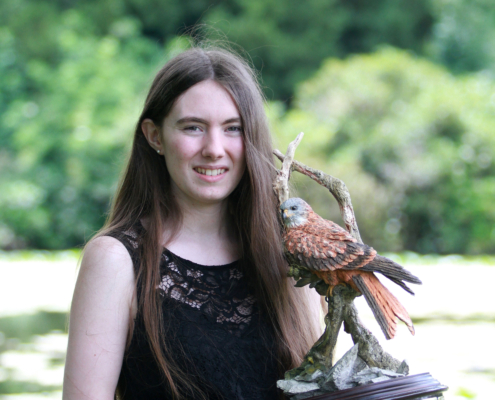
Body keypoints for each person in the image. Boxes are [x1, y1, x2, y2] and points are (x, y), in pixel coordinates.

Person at [62, 46, 322, 400]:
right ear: (155, 136)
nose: (214, 148)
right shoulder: (115, 260)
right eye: (193, 127)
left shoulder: (290, 255)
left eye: (233, 128)